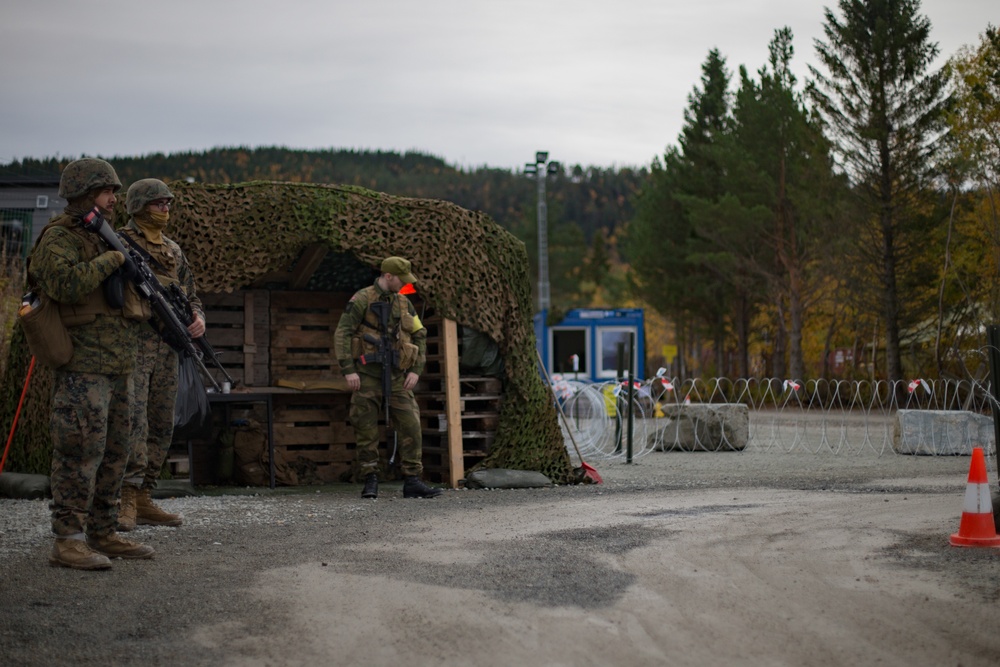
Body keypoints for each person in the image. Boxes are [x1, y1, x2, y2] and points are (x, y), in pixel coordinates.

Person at [27, 158, 155, 569]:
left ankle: (102, 531)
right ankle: (68, 540)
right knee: (80, 452)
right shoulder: (59, 238)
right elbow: (64, 285)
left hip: (118, 364)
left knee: (117, 452)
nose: (114, 200)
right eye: (108, 192)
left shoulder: (105, 235)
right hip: (83, 366)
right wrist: (112, 261)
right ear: (85, 193)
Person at [117, 179, 205, 531]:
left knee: (161, 421)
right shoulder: (120, 242)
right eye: (158, 203)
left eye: (168, 203)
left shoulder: (173, 249)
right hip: (133, 344)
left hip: (168, 346)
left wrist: (198, 318)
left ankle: (144, 496)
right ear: (138, 206)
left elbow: (191, 293)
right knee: (131, 422)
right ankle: (125, 497)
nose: (166, 209)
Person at [334, 257, 442, 499]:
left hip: (397, 377)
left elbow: (420, 334)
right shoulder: (362, 299)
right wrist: (348, 369)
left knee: (411, 425)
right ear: (389, 276)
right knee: (365, 427)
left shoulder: (404, 304)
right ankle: (370, 478)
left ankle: (412, 480)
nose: (404, 285)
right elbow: (343, 333)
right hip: (366, 375)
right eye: (401, 280)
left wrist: (416, 370)